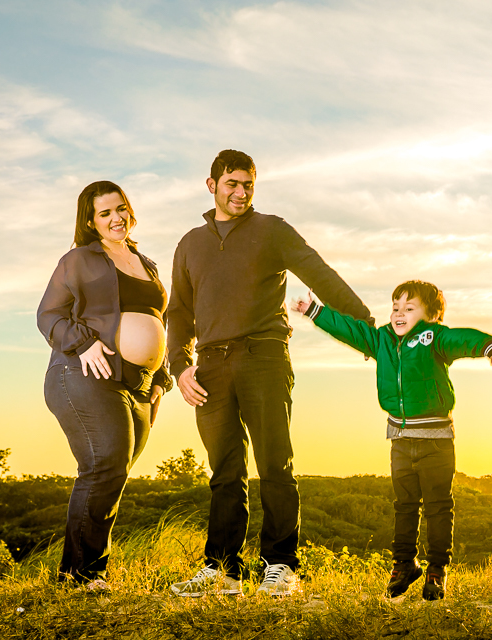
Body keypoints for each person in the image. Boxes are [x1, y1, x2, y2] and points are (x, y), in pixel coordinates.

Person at [167, 149, 373, 597]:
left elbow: (321, 274)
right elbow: (178, 313)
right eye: (232, 184)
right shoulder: (189, 244)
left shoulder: (272, 230)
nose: (240, 192)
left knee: (274, 464)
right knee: (224, 471)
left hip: (264, 356)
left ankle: (280, 566)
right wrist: (179, 366)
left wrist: (365, 327)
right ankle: (222, 570)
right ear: (212, 186)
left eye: (248, 185)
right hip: (211, 365)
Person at [292, 280, 492, 600]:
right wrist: (315, 311)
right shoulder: (381, 339)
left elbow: (461, 338)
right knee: (405, 506)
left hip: (436, 442)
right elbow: (352, 330)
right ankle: (404, 564)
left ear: (431, 315)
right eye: (395, 307)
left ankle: (437, 569)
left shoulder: (433, 337)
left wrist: (489, 347)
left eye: (409, 309)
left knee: (439, 507)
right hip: (400, 439)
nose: (399, 314)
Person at [37, 181, 172, 589]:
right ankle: (80, 577)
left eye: (122, 209)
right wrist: (83, 344)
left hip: (139, 383)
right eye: (105, 213)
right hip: (84, 374)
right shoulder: (78, 259)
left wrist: (160, 378)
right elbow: (48, 315)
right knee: (104, 465)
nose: (117, 218)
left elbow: (158, 320)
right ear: (91, 222)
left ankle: (80, 573)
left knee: (115, 473)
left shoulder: (145, 262)